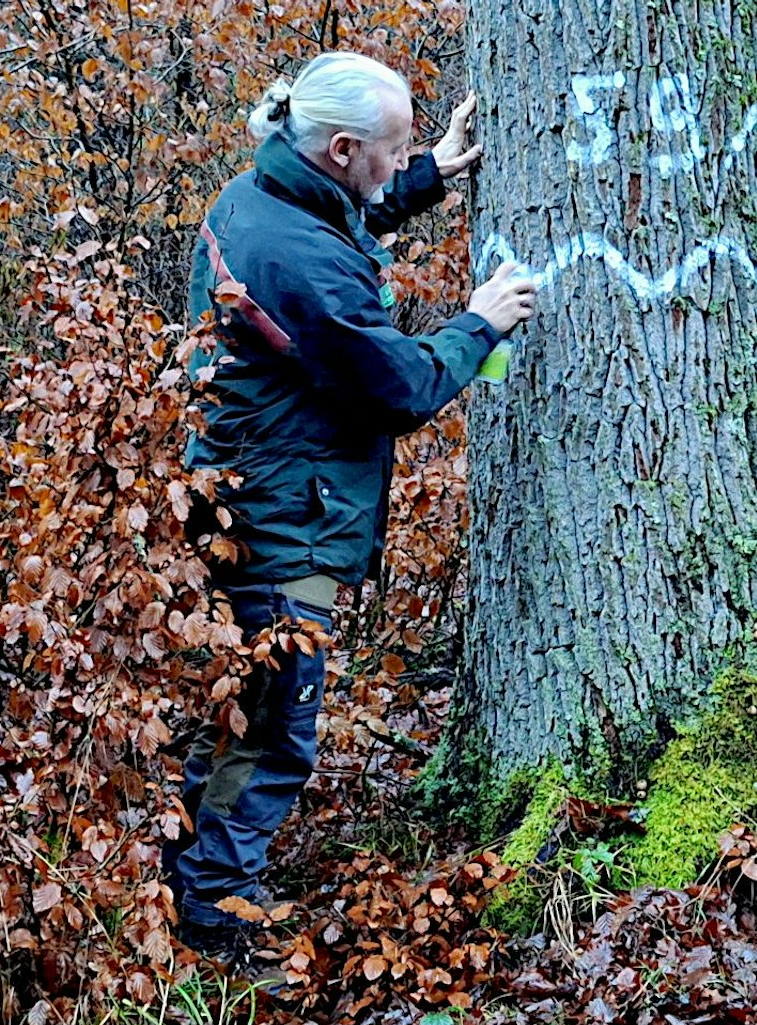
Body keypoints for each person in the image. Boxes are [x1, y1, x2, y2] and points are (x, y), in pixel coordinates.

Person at [162, 51, 537, 967]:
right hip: (285, 520)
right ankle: (213, 912)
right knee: (275, 725)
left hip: (244, 494)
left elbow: (346, 218)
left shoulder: (261, 198)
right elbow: (394, 385)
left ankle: (187, 877)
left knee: (235, 708)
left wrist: (424, 177)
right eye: (394, 147)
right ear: (338, 147)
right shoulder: (293, 253)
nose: (399, 158)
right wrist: (478, 322)